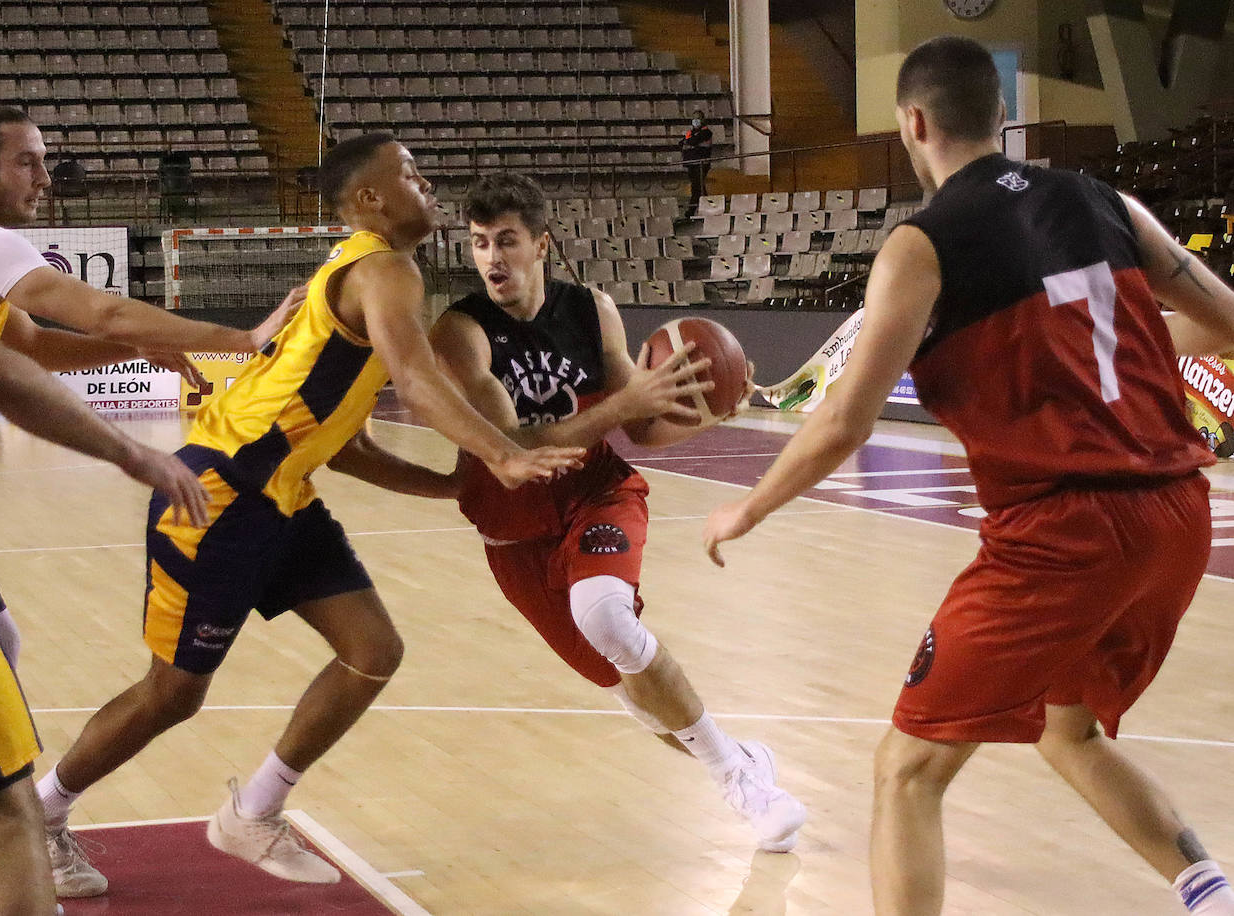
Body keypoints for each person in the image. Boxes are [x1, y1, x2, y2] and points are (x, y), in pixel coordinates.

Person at [702, 35, 1234, 916]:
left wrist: (749, 509)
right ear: (1001, 115)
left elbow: (844, 421)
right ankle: (1208, 892)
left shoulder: (921, 244)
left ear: (913, 122)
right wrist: (1112, 350)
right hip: (1178, 517)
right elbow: (1222, 324)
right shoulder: (1110, 201)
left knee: (906, 770)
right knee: (1069, 729)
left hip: (1066, 532)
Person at [31, 134, 584, 898]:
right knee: (174, 692)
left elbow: (346, 447)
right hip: (217, 495)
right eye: (410, 176)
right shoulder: (382, 268)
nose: (427, 185)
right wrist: (502, 455)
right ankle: (41, 815)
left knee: (373, 649)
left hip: (283, 497)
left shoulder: (361, 275)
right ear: (367, 200)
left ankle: (252, 812)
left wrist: (447, 488)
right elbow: (420, 384)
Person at [0, 103, 298, 916]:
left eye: (45, 160)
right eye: (27, 161)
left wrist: (139, 347)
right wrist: (237, 341)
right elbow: (89, 310)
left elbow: (26, 341)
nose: (44, 176)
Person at [425, 172, 807, 852]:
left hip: (597, 494)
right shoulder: (460, 332)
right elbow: (513, 446)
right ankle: (744, 762)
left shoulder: (591, 309)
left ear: (540, 245)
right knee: (635, 693)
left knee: (606, 617)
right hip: (513, 534)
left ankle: (744, 788)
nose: (491, 259)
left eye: (506, 242)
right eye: (480, 244)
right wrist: (620, 407)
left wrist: (711, 414)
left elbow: (642, 432)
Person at [680, 110, 713, 218]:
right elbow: (681, 143)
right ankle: (707, 207)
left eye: (698, 118)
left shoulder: (706, 132)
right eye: (694, 118)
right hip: (691, 163)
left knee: (698, 186)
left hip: (701, 163)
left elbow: (692, 141)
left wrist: (689, 142)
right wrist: (688, 142)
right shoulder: (691, 132)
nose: (695, 121)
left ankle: (692, 209)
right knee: (697, 186)